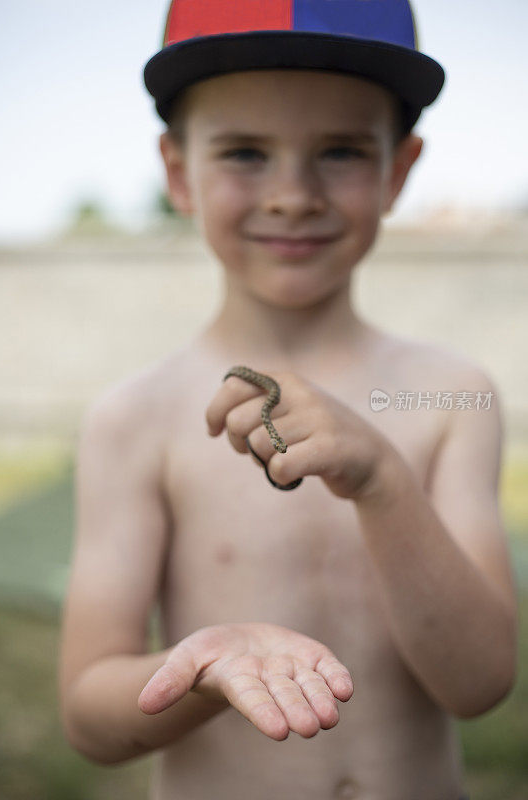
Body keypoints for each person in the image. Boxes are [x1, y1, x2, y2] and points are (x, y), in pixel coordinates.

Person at [58, 1, 518, 798]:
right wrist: (200, 666)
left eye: (339, 151)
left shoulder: (454, 394)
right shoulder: (134, 419)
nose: (291, 195)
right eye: (244, 152)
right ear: (177, 173)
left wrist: (381, 478)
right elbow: (88, 714)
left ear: (398, 171)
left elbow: (478, 682)